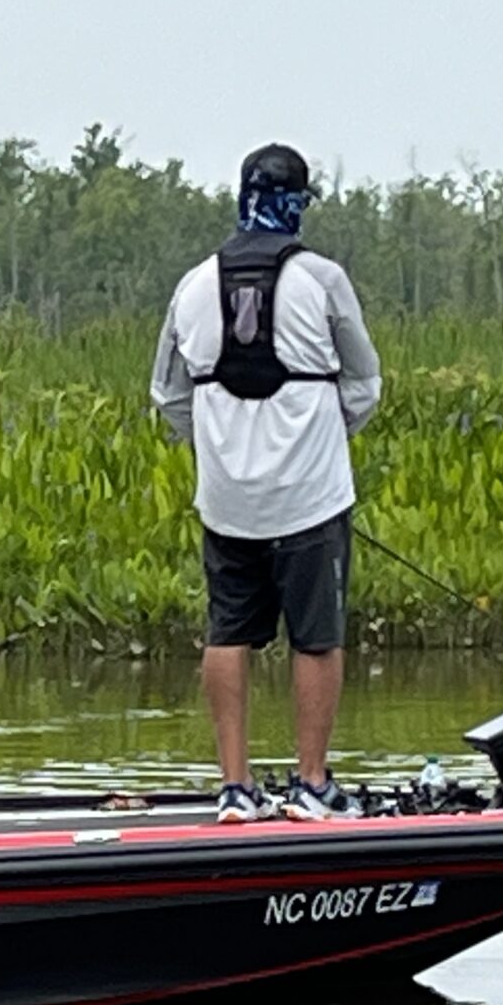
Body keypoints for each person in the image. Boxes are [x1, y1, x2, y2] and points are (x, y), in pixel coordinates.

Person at [151, 145, 383, 822]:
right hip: (311, 494)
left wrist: (218, 445)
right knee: (316, 634)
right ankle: (312, 785)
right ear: (298, 204)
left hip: (227, 500)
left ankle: (235, 788)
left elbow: (167, 396)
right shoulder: (324, 279)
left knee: (228, 631)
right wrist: (323, 437)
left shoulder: (192, 286)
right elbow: (364, 382)